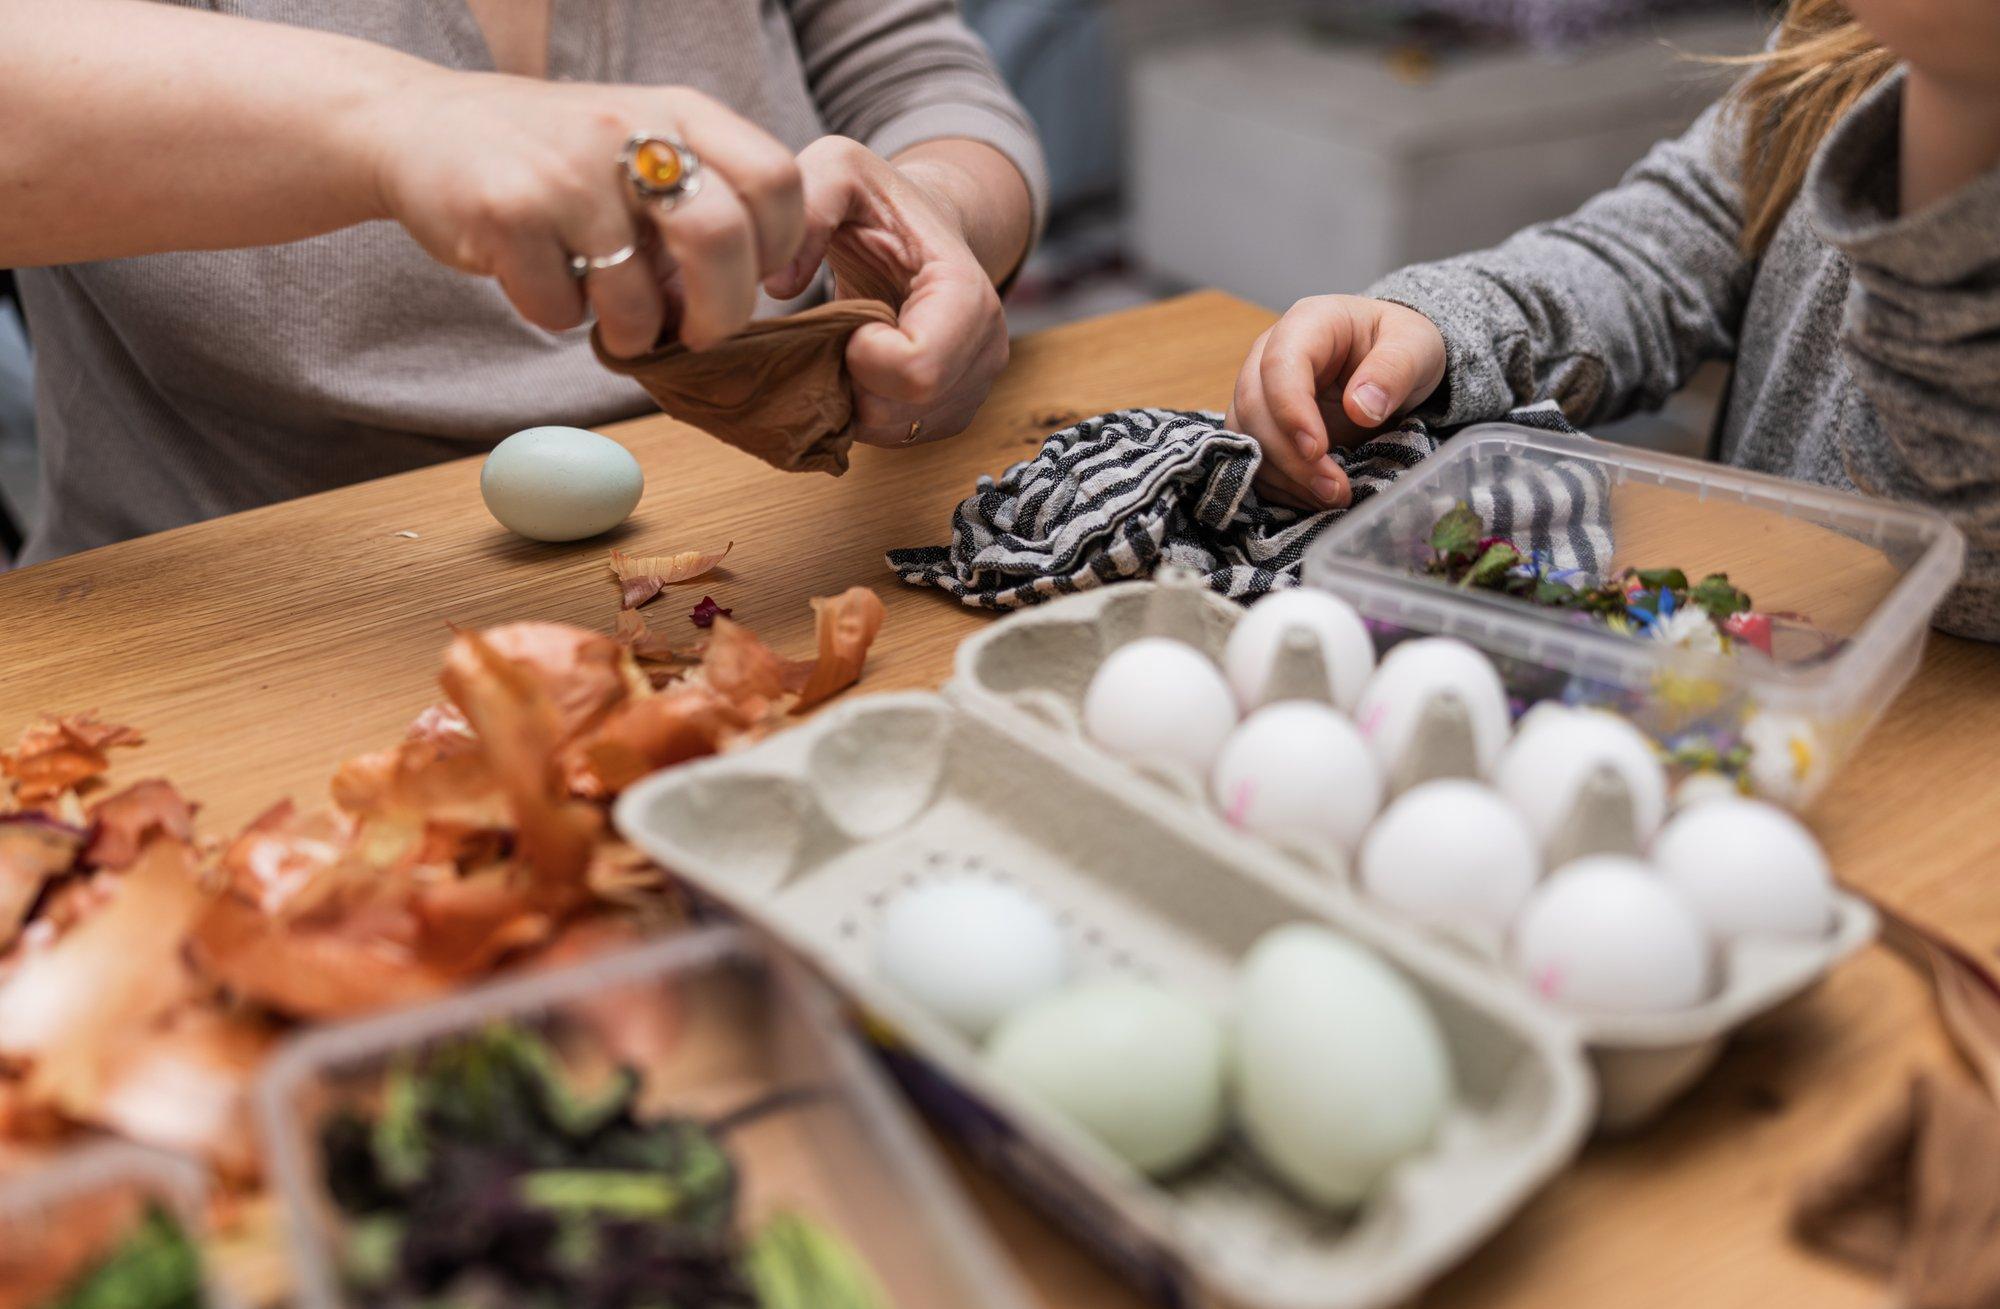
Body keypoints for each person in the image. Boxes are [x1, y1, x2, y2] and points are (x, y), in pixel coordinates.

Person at [0, 0, 1045, 563]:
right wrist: (397, 120)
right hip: (233, 626)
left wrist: (939, 206)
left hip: (783, 552)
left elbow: (914, 74)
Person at [1226, 0, 2000, 639]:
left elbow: (1968, 584)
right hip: (1739, 666)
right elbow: (1670, 240)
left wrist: (1962, 103)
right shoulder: (1841, 35)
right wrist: (1434, 328)